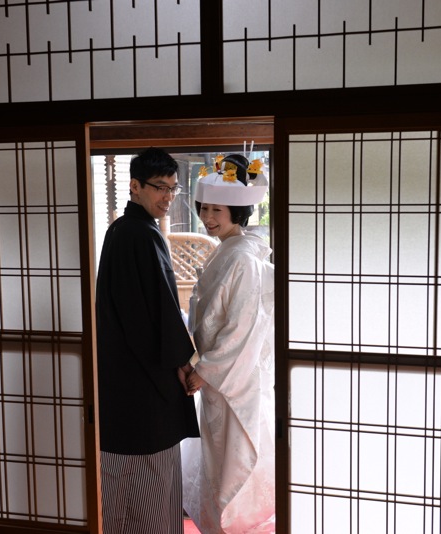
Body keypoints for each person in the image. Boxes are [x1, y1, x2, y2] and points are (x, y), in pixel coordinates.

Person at [95, 147, 199, 534]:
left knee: (119, 473)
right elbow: (158, 311)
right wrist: (183, 363)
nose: (168, 197)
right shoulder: (141, 234)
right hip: (145, 378)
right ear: (134, 186)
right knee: (150, 471)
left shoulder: (122, 230)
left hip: (120, 375)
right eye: (160, 188)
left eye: (173, 189)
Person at [182, 153, 275, 533]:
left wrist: (205, 369)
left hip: (233, 376)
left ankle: (234, 524)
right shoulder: (229, 251)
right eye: (204, 208)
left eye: (217, 210)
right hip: (220, 375)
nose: (207, 218)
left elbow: (243, 326)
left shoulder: (242, 258)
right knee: (217, 452)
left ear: (238, 213)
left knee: (233, 454)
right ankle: (220, 521)